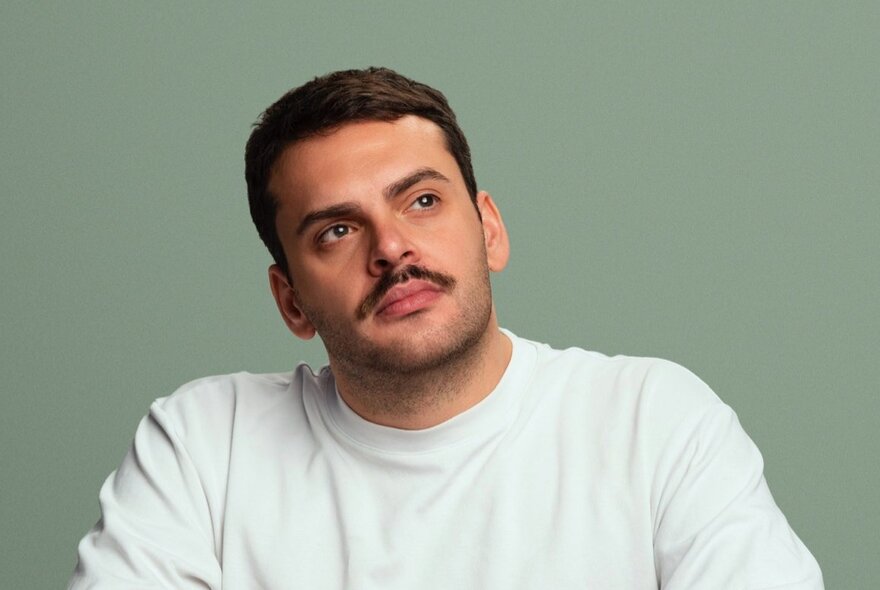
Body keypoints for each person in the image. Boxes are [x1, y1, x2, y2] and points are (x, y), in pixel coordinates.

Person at [69, 67, 824, 589]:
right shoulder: (205, 445)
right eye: (336, 230)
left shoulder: (653, 422)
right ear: (291, 300)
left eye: (422, 201)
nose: (391, 248)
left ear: (489, 228)